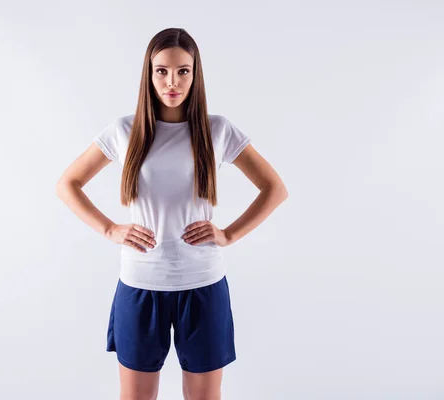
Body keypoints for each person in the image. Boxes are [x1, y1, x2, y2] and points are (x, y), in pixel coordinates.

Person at [56, 27, 288, 400]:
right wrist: (110, 228)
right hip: (139, 284)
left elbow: (275, 189)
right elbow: (68, 184)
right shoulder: (125, 131)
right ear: (148, 74)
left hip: (203, 284)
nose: (172, 81)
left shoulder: (217, 130)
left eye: (183, 71)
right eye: (161, 70)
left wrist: (227, 235)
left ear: (196, 75)